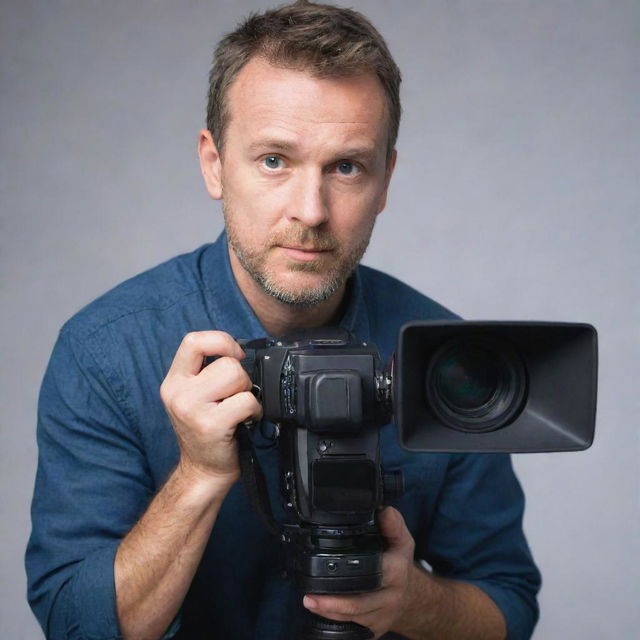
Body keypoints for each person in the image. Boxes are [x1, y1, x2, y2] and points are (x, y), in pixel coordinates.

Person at [26, 2, 541, 639]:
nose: (311, 210)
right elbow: (77, 627)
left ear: (386, 181)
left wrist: (413, 602)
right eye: (274, 161)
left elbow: (509, 609)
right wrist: (199, 476)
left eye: (346, 166)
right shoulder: (108, 350)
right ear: (214, 164)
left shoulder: (445, 358)